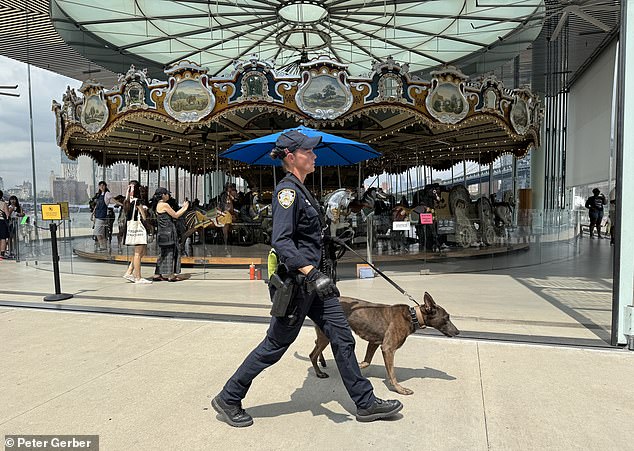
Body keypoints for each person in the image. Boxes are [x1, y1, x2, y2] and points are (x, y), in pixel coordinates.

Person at [211, 129, 402, 428]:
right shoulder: (286, 192)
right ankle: (229, 396)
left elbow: (306, 236)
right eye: (308, 152)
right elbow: (283, 242)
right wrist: (312, 272)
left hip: (316, 285)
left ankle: (365, 403)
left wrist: (330, 241)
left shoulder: (303, 190)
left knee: (342, 337)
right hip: (299, 286)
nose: (314, 155)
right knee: (273, 347)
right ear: (291, 157)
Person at [152, 187, 189, 282]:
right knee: (171, 252)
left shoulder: (157, 205)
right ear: (163, 195)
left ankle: (157, 274)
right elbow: (176, 215)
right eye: (167, 194)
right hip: (169, 232)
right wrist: (185, 207)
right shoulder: (164, 205)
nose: (169, 195)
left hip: (162, 232)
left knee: (163, 253)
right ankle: (171, 275)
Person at [122, 180, 152, 284]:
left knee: (141, 252)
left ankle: (129, 271)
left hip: (131, 227)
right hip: (139, 228)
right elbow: (143, 216)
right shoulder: (137, 201)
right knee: (138, 253)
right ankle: (138, 277)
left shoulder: (127, 201)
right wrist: (144, 209)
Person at [92, 180, 114, 251]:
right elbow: (96, 206)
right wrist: (93, 214)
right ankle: (104, 246)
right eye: (100, 185)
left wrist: (121, 204)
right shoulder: (99, 195)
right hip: (97, 215)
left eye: (103, 185)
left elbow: (113, 200)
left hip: (102, 215)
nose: (102, 187)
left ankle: (102, 246)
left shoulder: (107, 194)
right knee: (100, 232)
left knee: (97, 232)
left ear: (105, 186)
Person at [0, 191, 9, 259]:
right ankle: (2, 254)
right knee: (3, 238)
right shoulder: (3, 204)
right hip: (2, 222)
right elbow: (7, 215)